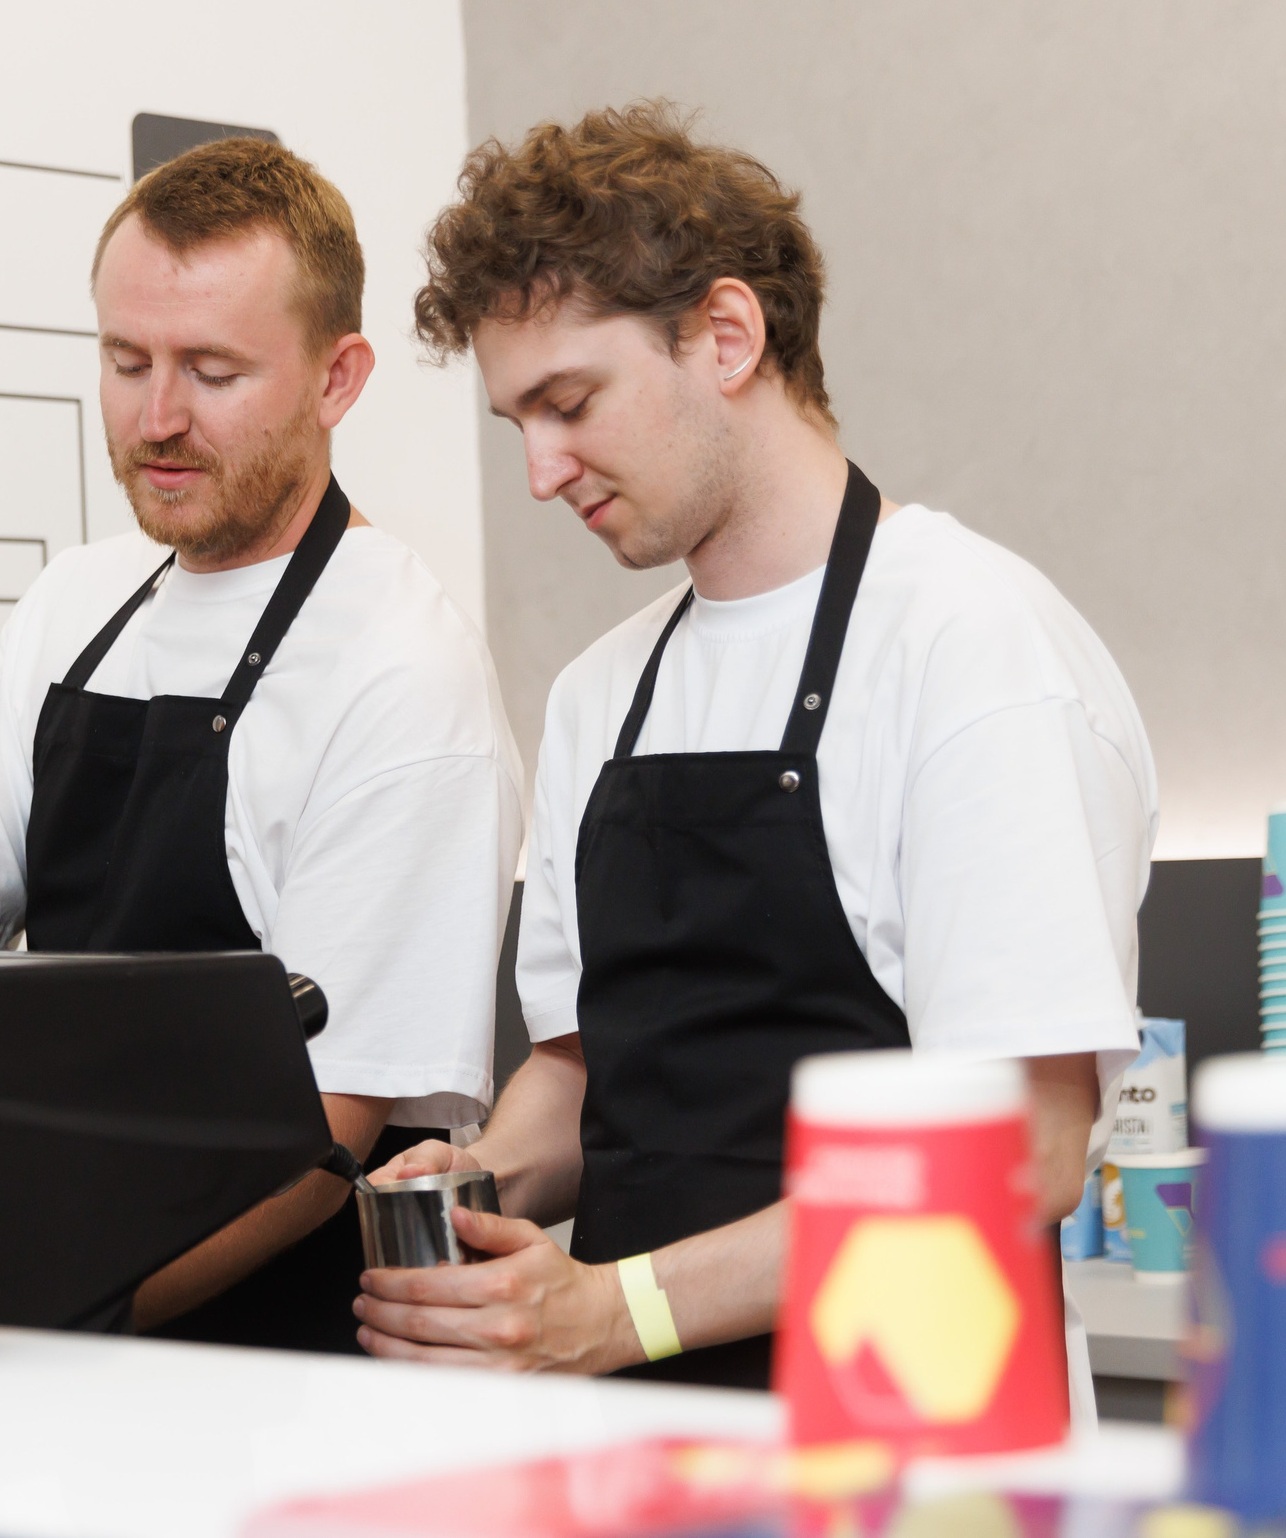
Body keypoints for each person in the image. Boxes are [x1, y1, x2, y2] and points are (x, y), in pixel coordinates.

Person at [356, 104, 1153, 1396]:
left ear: (726, 336)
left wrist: (617, 1312)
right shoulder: (601, 694)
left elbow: (1024, 1152)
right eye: (517, 424)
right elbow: (579, 1072)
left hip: (917, 1434)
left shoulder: (971, 647)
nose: (542, 471)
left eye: (570, 404)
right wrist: (478, 1179)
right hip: (636, 1439)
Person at [0, 138, 522, 1352]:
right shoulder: (73, 605)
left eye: (213, 371)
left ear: (337, 379)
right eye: (126, 362)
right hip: (54, 1276)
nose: (157, 418)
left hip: (274, 1348)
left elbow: (323, 1141)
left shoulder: (397, 671)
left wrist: (59, 1318)